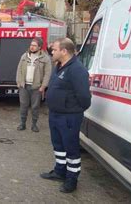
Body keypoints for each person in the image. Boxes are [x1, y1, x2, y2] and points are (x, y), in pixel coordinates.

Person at [40, 38, 91, 193]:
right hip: (55, 114)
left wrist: (73, 109)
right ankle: (60, 171)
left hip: (69, 117)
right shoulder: (59, 66)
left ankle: (71, 179)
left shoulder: (77, 69)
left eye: (54, 50)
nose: (52, 52)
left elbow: (84, 97)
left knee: (71, 148)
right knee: (59, 146)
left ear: (64, 51)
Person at [15, 37, 51, 132]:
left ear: (39, 47)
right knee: (23, 105)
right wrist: (18, 82)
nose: (32, 47)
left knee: (35, 107)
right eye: (31, 45)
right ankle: (22, 124)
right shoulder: (24, 56)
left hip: (36, 87)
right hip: (24, 86)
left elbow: (47, 74)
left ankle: (34, 125)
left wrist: (43, 86)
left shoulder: (45, 59)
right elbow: (19, 70)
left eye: (34, 45)